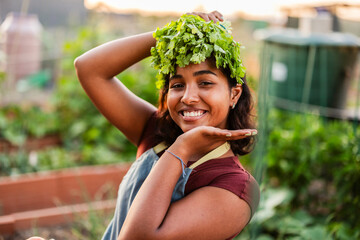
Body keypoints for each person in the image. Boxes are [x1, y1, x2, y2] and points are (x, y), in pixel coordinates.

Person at [28, 10, 260, 240]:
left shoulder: (236, 188)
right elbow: (89, 69)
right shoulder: (155, 132)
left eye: (206, 82)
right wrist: (170, 34)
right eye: (177, 85)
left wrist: (181, 150)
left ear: (234, 95)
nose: (188, 97)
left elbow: (138, 237)